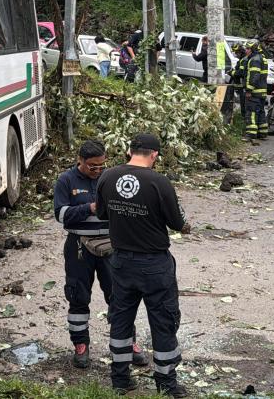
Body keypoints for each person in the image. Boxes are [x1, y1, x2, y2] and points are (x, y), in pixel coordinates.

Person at [96, 134, 191, 397]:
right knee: (163, 320)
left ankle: (120, 380)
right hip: (154, 265)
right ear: (155, 155)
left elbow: (102, 213)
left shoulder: (107, 177)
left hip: (121, 263)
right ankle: (166, 384)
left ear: (129, 150)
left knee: (121, 320)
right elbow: (177, 222)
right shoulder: (159, 182)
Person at [53, 141, 148, 369]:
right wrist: (90, 208)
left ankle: (128, 344)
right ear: (80, 161)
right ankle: (81, 346)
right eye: (92, 167)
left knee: (120, 297)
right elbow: (61, 214)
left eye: (101, 166)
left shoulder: (113, 178)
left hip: (110, 246)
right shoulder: (66, 180)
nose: (97, 171)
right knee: (77, 295)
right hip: (78, 246)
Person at [244, 42, 269, 140]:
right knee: (261, 112)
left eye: (247, 48)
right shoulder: (263, 59)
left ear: (252, 50)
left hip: (255, 91)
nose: (245, 50)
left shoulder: (254, 60)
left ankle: (251, 134)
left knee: (252, 112)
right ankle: (262, 133)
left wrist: (249, 90)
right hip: (262, 91)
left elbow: (255, 76)